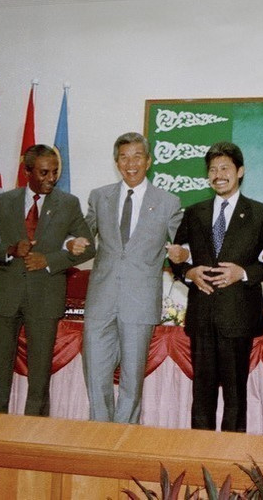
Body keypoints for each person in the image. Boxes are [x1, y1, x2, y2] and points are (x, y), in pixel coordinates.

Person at [166, 141, 263, 432]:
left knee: (235, 398)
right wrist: (188, 272)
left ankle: (230, 461)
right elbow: (177, 256)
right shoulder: (194, 212)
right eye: (213, 169)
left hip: (238, 317)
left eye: (225, 168)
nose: (219, 174)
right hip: (202, 316)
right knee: (201, 397)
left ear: (240, 171)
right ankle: (199, 459)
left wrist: (243, 273)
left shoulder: (261, 213)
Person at [0, 144, 95, 416]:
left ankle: (36, 429)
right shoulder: (5, 201)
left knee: (39, 371)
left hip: (46, 299)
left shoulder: (69, 203)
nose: (51, 178)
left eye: (55, 172)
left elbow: (88, 247)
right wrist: (10, 250)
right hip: (7, 297)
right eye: (43, 172)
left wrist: (49, 260)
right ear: (27, 171)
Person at [82, 132, 183, 423]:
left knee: (131, 380)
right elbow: (84, 238)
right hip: (100, 300)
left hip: (139, 303)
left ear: (149, 161)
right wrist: (71, 243)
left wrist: (181, 253)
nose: (131, 163)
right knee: (95, 374)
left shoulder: (168, 202)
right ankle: (99, 435)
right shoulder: (99, 196)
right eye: (124, 157)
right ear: (116, 162)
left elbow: (183, 246)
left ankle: (124, 436)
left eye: (137, 156)